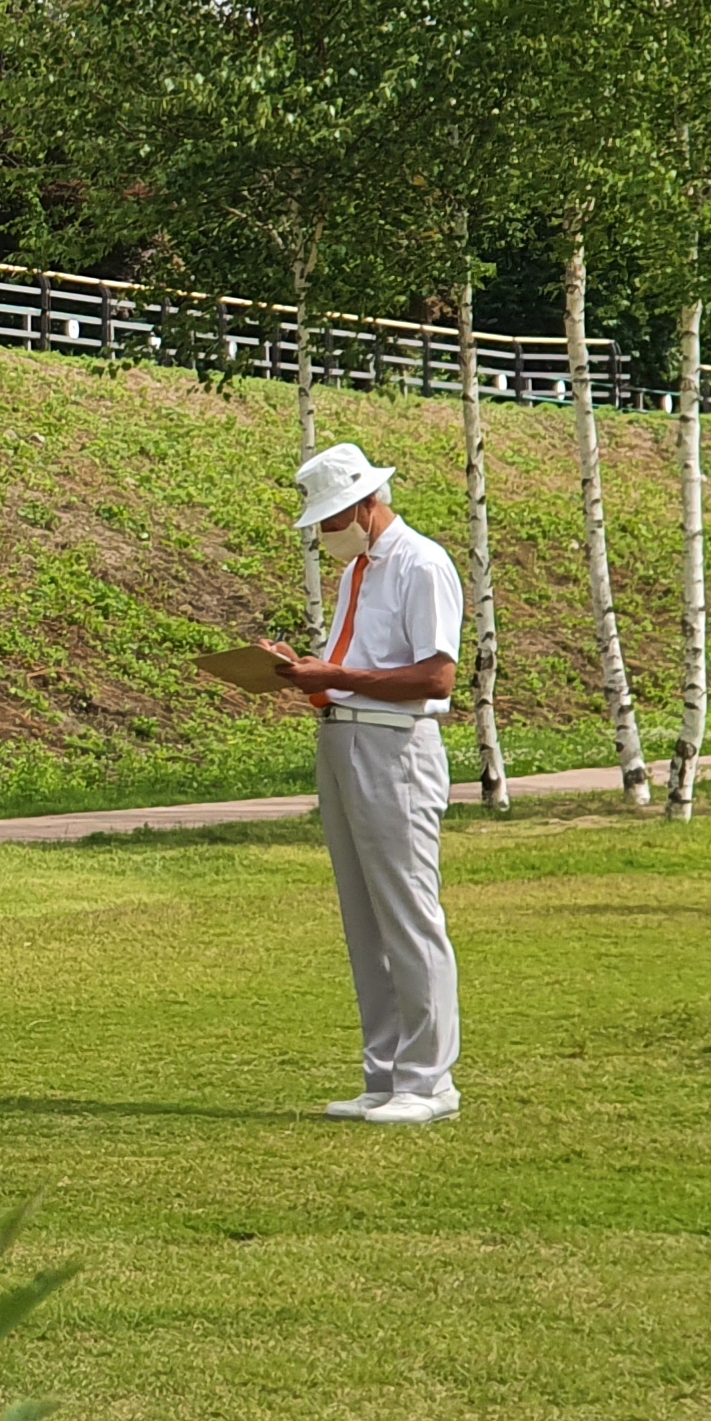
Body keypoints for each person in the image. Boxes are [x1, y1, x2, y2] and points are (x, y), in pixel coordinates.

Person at [263, 441, 466, 1124]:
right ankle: (385, 1073)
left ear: (362, 505)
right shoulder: (358, 571)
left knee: (408, 913)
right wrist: (310, 672)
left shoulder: (421, 563)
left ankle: (430, 1081)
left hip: (394, 747)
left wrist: (336, 677)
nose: (323, 534)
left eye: (328, 520)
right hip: (342, 735)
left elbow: (436, 678)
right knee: (364, 918)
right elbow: (360, 663)